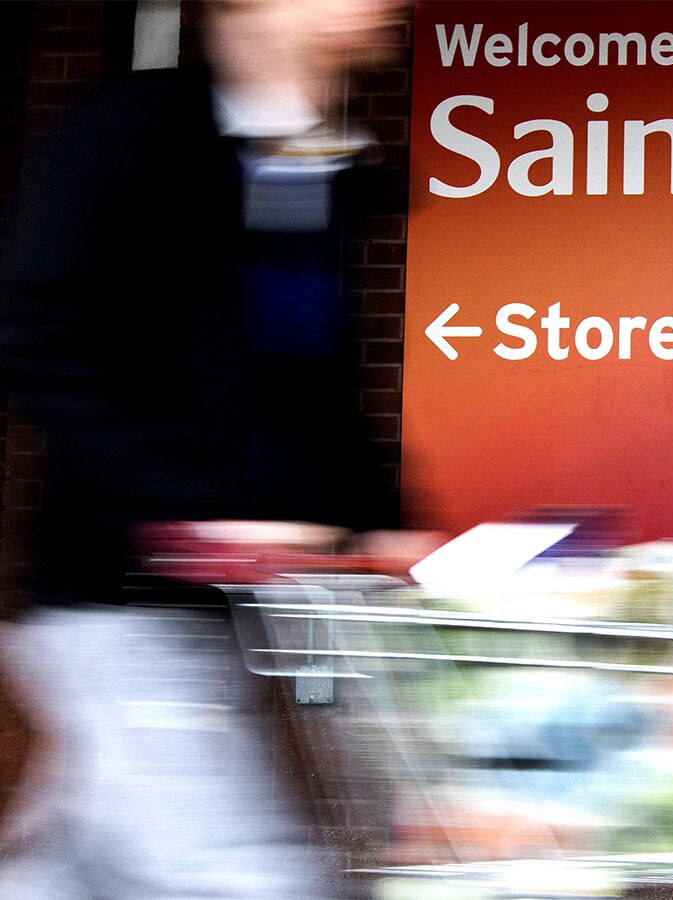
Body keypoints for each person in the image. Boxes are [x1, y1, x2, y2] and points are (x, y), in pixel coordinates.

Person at [0, 1, 412, 896]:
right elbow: (37, 327)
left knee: (74, 870)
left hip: (220, 611)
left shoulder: (320, 164)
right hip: (118, 600)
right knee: (249, 878)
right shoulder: (132, 130)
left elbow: (317, 390)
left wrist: (392, 523)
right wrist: (181, 501)